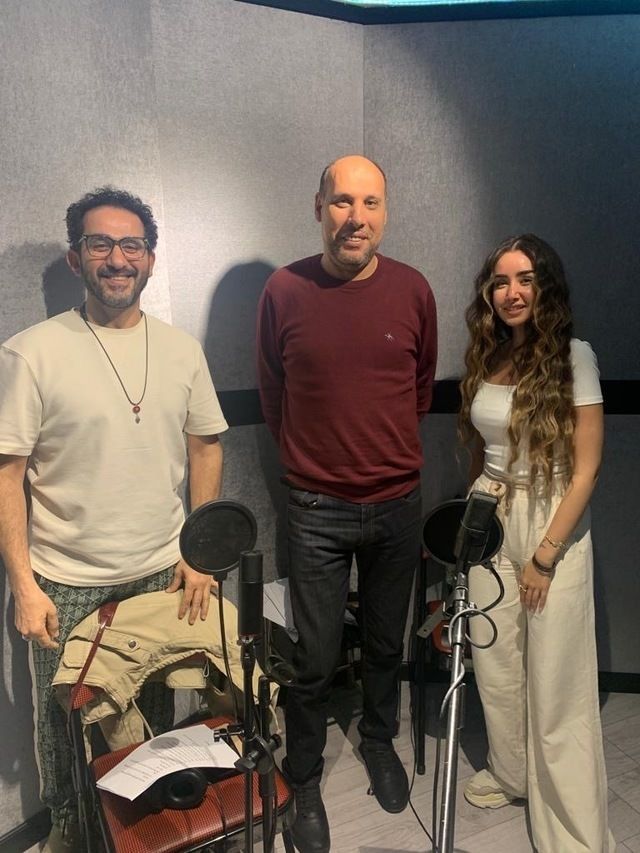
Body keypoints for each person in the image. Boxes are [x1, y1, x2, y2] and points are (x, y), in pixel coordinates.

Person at [0, 187, 228, 853]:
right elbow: (7, 473)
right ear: (77, 258)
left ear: (150, 259)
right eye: (100, 243)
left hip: (159, 573)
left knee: (148, 726)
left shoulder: (181, 350)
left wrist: (199, 554)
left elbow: (206, 447)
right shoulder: (32, 351)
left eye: (131, 245)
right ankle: (70, 833)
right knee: (64, 731)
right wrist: (23, 584)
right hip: (64, 581)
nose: (117, 258)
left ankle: (141, 833)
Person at [256, 155, 437, 853]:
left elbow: (419, 390)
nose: (355, 217)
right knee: (313, 657)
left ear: (384, 212)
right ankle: (303, 777)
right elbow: (273, 394)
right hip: (316, 509)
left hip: (397, 503)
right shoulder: (283, 290)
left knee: (388, 643)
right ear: (318, 207)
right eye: (341, 202)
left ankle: (379, 740)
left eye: (369, 203)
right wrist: (317, 464)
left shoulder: (413, 290)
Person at [458, 234, 614, 852]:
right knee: (495, 662)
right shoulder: (490, 355)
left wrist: (545, 556)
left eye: (524, 279)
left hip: (551, 516)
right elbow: (485, 449)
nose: (511, 292)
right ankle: (513, 774)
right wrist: (470, 514)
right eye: (500, 282)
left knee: (556, 678)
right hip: (489, 514)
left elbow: (588, 469)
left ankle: (572, 823)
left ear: (545, 286)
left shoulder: (575, 358)